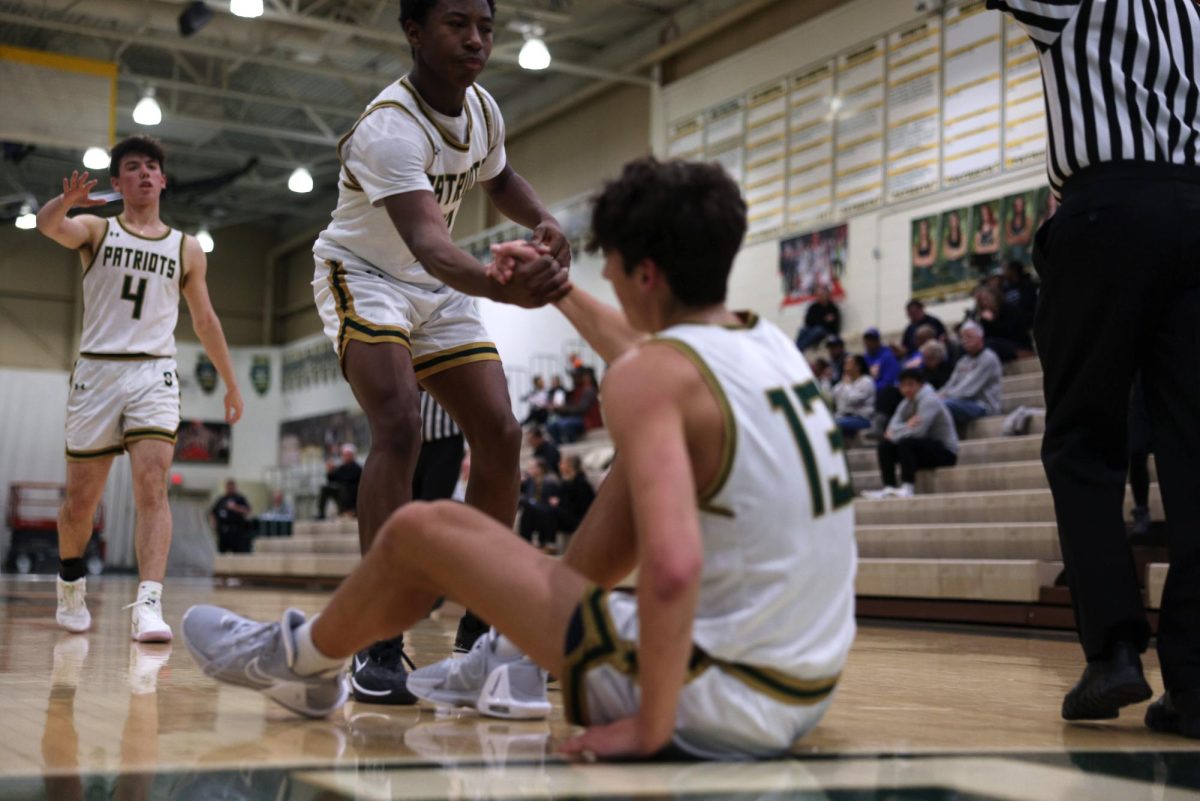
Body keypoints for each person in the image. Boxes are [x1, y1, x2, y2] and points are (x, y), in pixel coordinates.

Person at [182, 156, 856, 760]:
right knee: (630, 465)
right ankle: (511, 653)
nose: (609, 278)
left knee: (425, 529)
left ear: (644, 274)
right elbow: (644, 355)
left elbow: (674, 567)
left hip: (718, 701)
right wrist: (561, 289)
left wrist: (652, 728)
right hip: (806, 685)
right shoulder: (763, 345)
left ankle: (301, 661)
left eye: (611, 266)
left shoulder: (650, 380)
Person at [307, 0, 571, 703]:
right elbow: (428, 240)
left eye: (485, 26)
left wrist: (544, 217)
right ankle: (377, 634)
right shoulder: (388, 128)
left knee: (502, 431)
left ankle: (484, 623)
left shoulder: (481, 108)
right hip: (365, 275)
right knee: (398, 423)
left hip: (435, 282)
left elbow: (500, 178)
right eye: (458, 24)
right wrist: (498, 285)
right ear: (414, 32)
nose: (477, 39)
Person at [987, 0, 1200, 735]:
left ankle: (1112, 649)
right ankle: (1197, 682)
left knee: (1082, 440)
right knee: (1195, 457)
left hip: (1107, 210)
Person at [35, 135, 244, 641]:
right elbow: (48, 226)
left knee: (153, 486)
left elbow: (207, 320)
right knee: (80, 503)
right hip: (98, 372)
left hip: (154, 373)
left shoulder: (186, 248)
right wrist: (65, 201)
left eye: (153, 167)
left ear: (164, 180)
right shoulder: (95, 230)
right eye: (134, 168)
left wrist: (231, 384)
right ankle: (70, 583)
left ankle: (149, 604)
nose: (146, 174)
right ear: (117, 183)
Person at [863, 368, 958, 500]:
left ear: (921, 385)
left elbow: (918, 432)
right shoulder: (905, 403)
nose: (906, 389)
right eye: (902, 385)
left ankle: (908, 487)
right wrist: (907, 425)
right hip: (921, 450)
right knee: (885, 446)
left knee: (906, 443)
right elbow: (890, 429)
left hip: (945, 453)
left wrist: (897, 431)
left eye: (910, 384)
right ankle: (889, 487)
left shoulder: (930, 400)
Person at [939, 322, 1003, 427]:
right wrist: (936, 395)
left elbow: (968, 390)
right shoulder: (963, 361)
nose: (965, 340)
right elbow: (950, 384)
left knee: (944, 405)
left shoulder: (988, 358)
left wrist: (944, 396)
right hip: (961, 403)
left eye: (969, 336)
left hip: (983, 406)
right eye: (962, 337)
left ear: (980, 337)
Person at [412, 391, 465, 502]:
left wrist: (471, 451)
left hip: (446, 440)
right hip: (411, 444)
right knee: (406, 508)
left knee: (431, 505)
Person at [546, 369, 599, 444]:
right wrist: (556, 408)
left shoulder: (589, 390)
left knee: (565, 424)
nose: (573, 379)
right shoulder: (574, 391)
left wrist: (564, 408)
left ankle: (571, 444)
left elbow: (581, 409)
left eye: (575, 377)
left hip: (586, 420)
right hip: (574, 418)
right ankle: (559, 444)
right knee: (551, 425)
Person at [517, 457, 559, 547]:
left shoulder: (550, 482)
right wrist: (520, 482)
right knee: (525, 507)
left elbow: (551, 504)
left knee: (527, 507)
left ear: (540, 469)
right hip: (534, 512)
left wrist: (529, 501)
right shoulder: (530, 481)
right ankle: (524, 542)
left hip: (546, 513)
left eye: (531, 468)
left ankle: (527, 542)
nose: (528, 470)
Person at [831, 354, 875, 438]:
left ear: (857, 367)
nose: (845, 367)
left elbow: (852, 400)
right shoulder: (845, 381)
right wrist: (843, 383)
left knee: (834, 424)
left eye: (848, 364)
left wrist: (847, 385)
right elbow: (833, 395)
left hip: (862, 418)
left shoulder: (866, 381)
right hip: (843, 416)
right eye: (845, 364)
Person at [552, 454, 594, 535]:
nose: (559, 465)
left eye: (562, 463)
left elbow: (581, 505)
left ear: (569, 466)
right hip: (571, 518)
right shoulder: (566, 482)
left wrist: (558, 503)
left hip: (580, 520)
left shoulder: (581, 483)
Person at [318, 444, 362, 519]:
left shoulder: (357, 469)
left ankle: (349, 511)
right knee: (325, 489)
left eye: (347, 455)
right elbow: (332, 480)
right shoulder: (342, 468)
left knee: (344, 488)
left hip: (352, 495)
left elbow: (349, 480)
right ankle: (321, 513)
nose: (345, 457)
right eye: (344, 455)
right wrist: (330, 472)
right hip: (341, 495)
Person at [210, 480, 252, 554]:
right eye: (228, 487)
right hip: (223, 531)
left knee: (237, 553)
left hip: (236, 531)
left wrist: (235, 507)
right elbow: (213, 512)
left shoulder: (240, 499)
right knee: (222, 552)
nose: (230, 489)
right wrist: (214, 523)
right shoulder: (221, 499)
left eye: (231, 487)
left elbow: (247, 511)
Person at [795, 284, 841, 351]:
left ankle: (799, 348)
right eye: (820, 294)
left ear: (828, 295)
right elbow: (808, 320)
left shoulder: (832, 308)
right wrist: (823, 320)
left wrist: (819, 321)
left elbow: (834, 323)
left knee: (818, 330)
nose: (822, 296)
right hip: (812, 329)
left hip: (826, 331)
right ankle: (796, 347)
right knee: (802, 330)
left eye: (824, 294)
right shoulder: (814, 307)